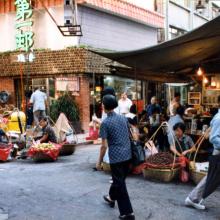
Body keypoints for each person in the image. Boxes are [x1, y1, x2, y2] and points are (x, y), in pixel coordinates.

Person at [97, 94, 135, 220]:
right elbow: (131, 134)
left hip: (116, 158)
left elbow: (104, 146)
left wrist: (99, 162)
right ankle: (111, 197)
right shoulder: (123, 118)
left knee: (120, 184)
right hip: (128, 155)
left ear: (104, 107)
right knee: (119, 181)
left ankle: (127, 213)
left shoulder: (105, 123)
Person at [185, 96, 220, 210]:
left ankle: (193, 198)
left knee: (211, 177)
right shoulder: (219, 118)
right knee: (211, 177)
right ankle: (192, 198)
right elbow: (213, 138)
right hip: (218, 152)